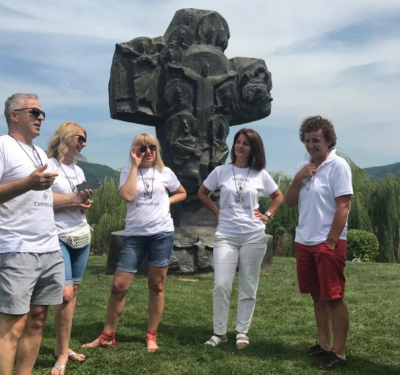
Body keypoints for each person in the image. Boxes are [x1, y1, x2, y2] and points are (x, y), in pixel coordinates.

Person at [0, 93, 87, 375]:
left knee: (38, 319)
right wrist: (27, 183)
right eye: (34, 112)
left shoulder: (39, 154)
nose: (41, 118)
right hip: (16, 247)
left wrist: (74, 200)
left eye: (42, 113)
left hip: (49, 247)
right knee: (13, 326)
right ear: (14, 115)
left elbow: (43, 200)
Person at [82, 132, 186, 352]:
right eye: (142, 148)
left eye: (152, 147)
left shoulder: (165, 173)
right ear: (134, 150)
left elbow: (182, 192)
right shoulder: (127, 173)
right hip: (135, 235)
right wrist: (134, 166)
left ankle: (151, 335)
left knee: (156, 285)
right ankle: (107, 335)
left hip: (161, 233)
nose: (148, 151)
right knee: (119, 285)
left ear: (157, 150)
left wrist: (169, 199)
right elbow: (128, 196)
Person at [198, 128, 283, 349]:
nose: (240, 146)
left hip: (253, 236)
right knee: (221, 284)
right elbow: (202, 193)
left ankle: (242, 331)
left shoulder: (260, 174)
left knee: (248, 284)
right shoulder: (221, 171)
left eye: (245, 143)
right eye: (238, 142)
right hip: (226, 234)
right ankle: (219, 333)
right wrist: (217, 213)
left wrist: (268, 215)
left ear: (253, 148)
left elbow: (278, 196)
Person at [285, 116, 353, 370]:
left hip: (328, 243)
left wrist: (332, 241)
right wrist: (298, 178)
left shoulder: (338, 166)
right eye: (307, 140)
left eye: (317, 140)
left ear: (328, 140)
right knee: (317, 296)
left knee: (334, 297)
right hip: (304, 241)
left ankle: (340, 352)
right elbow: (290, 202)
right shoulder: (304, 167)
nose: (311, 145)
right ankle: (324, 345)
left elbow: (344, 205)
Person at [47, 122, 93, 375]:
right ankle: (63, 352)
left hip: (82, 235)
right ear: (66, 137)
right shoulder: (48, 166)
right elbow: (41, 201)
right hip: (57, 235)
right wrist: (72, 201)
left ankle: (61, 347)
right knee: (64, 294)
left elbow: (78, 198)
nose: (83, 143)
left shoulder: (78, 170)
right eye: (80, 138)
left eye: (85, 140)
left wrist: (83, 203)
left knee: (73, 293)